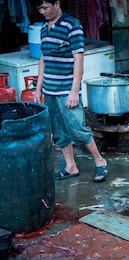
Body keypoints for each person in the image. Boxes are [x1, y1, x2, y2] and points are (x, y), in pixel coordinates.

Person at [34, 0, 108, 183]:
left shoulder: (72, 25)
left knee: (78, 129)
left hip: (66, 89)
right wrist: (38, 88)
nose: (43, 12)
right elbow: (43, 59)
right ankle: (70, 166)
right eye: (40, 9)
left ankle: (100, 161)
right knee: (59, 131)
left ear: (57, 3)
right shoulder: (44, 29)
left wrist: (74, 91)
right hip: (50, 91)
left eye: (45, 7)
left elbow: (78, 60)